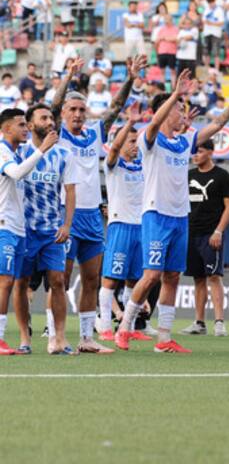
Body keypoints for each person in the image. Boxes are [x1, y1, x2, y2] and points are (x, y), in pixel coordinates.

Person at [114, 71, 229, 353]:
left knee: (172, 276)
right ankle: (124, 327)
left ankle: (164, 339)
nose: (181, 113)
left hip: (179, 217)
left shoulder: (185, 142)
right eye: (177, 108)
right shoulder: (150, 140)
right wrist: (174, 94)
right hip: (155, 214)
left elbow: (217, 125)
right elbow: (153, 124)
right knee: (150, 275)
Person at [49, 57, 137, 354]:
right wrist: (68, 78)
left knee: (90, 279)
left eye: (81, 110)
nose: (77, 114)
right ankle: (56, 334)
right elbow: (52, 106)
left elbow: (114, 108)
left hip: (91, 215)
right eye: (72, 109)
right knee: (59, 277)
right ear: (62, 113)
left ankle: (86, 338)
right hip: (65, 212)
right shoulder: (57, 134)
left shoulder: (94, 134)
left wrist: (130, 79)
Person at [17, 104, 75, 355]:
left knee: (58, 281)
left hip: (52, 230)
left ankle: (58, 338)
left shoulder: (64, 154)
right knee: (21, 283)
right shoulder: (19, 153)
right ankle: (24, 339)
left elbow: (71, 191)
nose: (50, 122)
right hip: (25, 229)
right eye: (44, 118)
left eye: (51, 117)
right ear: (30, 125)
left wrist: (67, 224)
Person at [0, 108, 58, 355]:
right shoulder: (2, 151)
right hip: (3, 225)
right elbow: (16, 173)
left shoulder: (15, 152)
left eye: (26, 124)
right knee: (5, 282)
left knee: (12, 282)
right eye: (21, 125)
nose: (26, 129)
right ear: (6, 129)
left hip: (18, 228)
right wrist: (42, 148)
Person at [97, 103, 151, 343]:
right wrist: (129, 123)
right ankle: (106, 326)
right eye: (130, 141)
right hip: (120, 226)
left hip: (142, 227)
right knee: (111, 278)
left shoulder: (144, 165)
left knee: (133, 279)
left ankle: (127, 327)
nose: (134, 145)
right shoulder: (113, 165)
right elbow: (114, 147)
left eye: (135, 141)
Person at [179, 139, 229, 338]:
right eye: (194, 152)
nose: (195, 155)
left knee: (214, 277)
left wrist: (218, 231)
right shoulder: (188, 175)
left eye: (200, 151)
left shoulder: (222, 176)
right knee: (198, 278)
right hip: (191, 233)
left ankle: (219, 322)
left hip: (211, 234)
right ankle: (199, 322)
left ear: (210, 153)